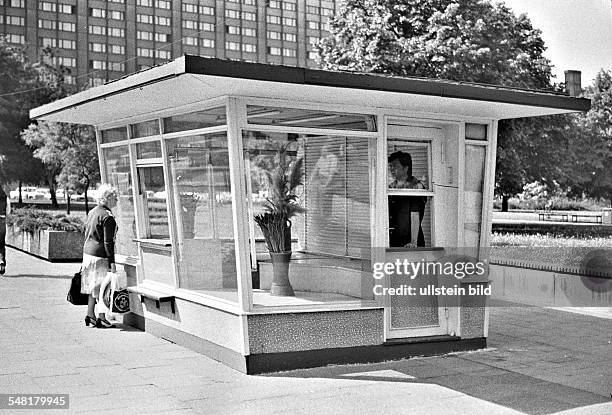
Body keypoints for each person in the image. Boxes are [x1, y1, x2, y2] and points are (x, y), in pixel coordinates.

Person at [82, 184, 118, 328]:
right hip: (100, 255)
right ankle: (102, 318)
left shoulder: (93, 212)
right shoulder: (107, 216)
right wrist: (112, 262)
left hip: (88, 253)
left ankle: (90, 314)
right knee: (103, 288)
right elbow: (108, 242)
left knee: (93, 286)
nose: (117, 200)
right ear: (108, 198)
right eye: (115, 197)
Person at [387, 151, 427, 248]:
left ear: (405, 168)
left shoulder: (415, 186)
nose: (391, 169)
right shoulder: (391, 187)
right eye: (390, 166)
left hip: (409, 242)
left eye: (395, 166)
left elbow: (415, 215)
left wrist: (413, 242)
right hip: (393, 240)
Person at [0, 185, 7, 275]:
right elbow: (8, 211)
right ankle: (1, 261)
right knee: (1, 244)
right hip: (1, 221)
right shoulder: (5, 197)